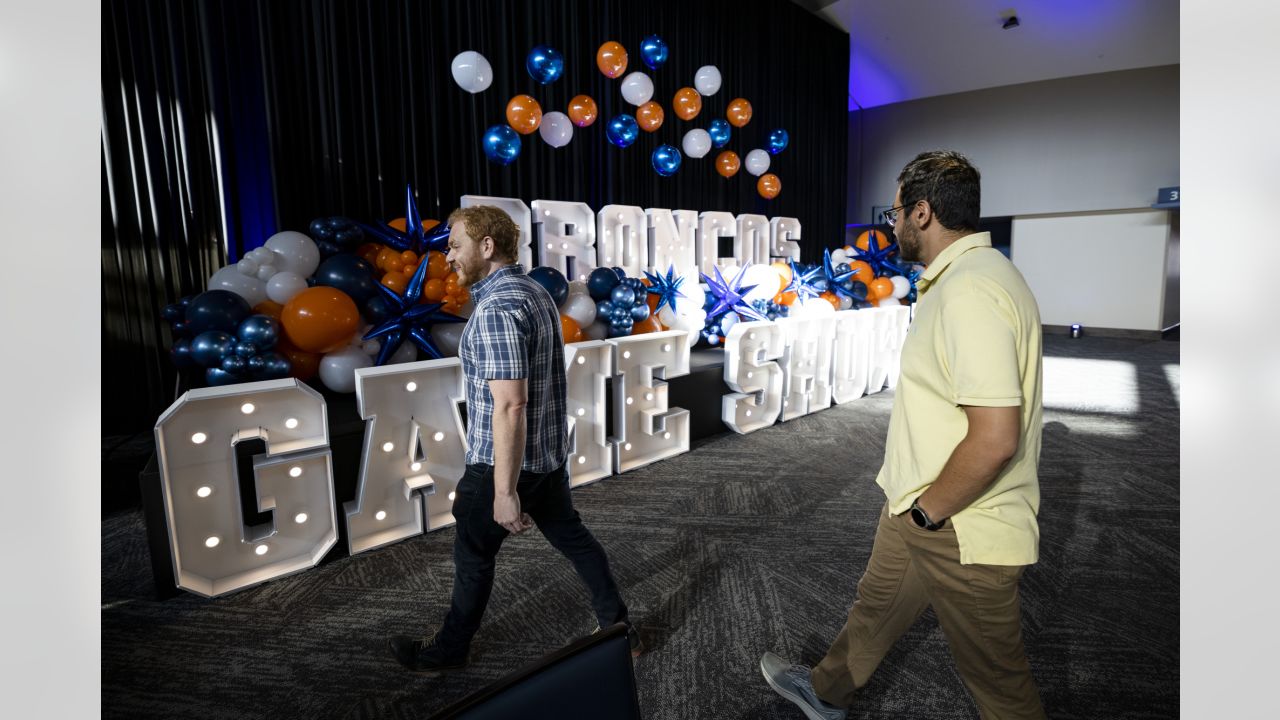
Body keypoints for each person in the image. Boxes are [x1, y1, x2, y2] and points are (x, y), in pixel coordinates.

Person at [761, 151, 1047, 719]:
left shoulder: (969, 292)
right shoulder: (971, 277)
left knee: (999, 685)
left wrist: (927, 515)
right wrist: (912, 509)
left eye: (894, 212)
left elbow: (995, 438)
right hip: (919, 500)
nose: (889, 224)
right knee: (876, 606)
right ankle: (826, 691)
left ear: (922, 213)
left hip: (960, 523)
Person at [388, 205, 641, 673]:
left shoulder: (497, 309)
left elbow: (510, 405)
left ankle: (450, 651)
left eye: (456, 245)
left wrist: (504, 493)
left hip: (502, 468)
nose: (448, 256)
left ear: (486, 247)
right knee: (575, 540)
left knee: (474, 558)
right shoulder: (536, 293)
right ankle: (620, 629)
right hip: (547, 460)